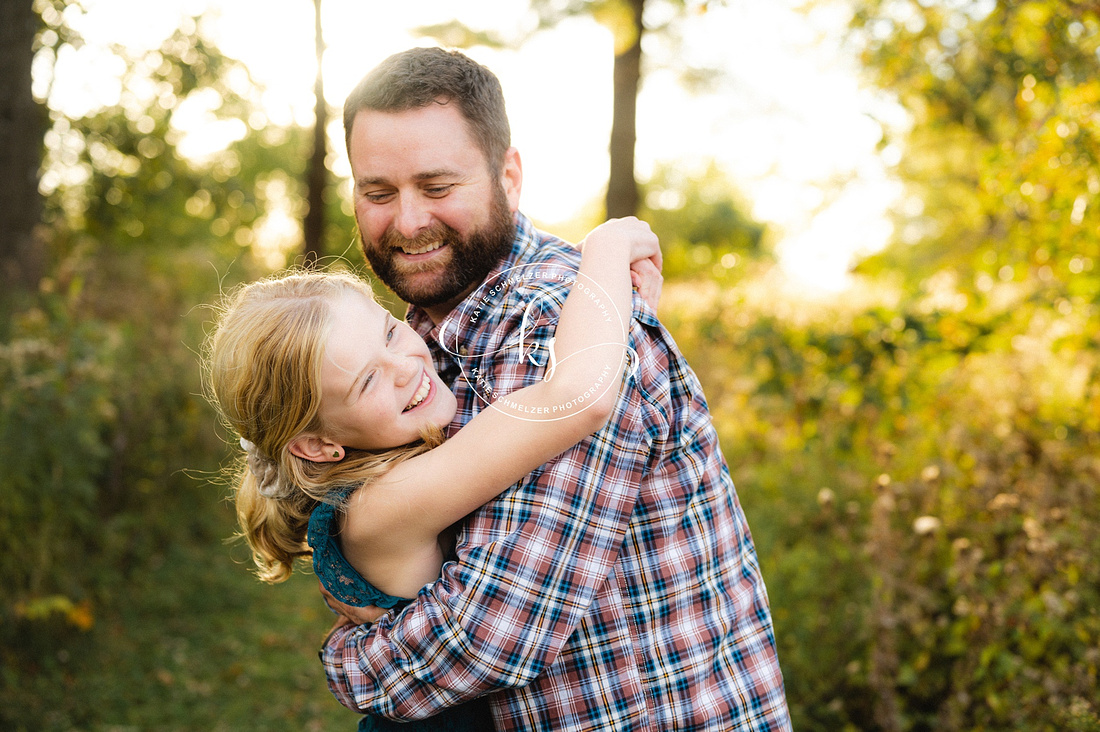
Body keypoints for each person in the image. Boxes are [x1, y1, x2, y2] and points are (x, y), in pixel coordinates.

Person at [320, 46, 792, 731]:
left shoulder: (561, 322)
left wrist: (351, 656)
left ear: (508, 176)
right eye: (379, 192)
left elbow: (490, 634)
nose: (409, 221)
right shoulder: (414, 342)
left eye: (438, 185)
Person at [205, 218, 661, 731]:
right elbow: (578, 397)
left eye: (390, 332)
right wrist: (605, 248)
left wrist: (600, 294)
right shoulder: (386, 501)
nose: (405, 365)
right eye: (368, 380)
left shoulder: (398, 457)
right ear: (318, 445)